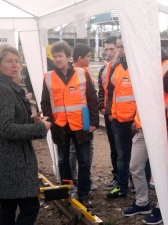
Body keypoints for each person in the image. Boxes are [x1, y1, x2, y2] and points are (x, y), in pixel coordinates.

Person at [0, 44, 51, 224]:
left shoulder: (7, 87)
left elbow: (8, 122)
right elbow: (6, 128)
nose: (15, 65)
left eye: (17, 61)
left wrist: (31, 120)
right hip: (10, 160)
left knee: (9, 206)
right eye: (9, 61)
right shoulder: (2, 89)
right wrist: (40, 128)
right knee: (30, 206)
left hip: (9, 158)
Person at [41, 41, 99, 206]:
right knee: (63, 160)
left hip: (81, 125)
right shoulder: (49, 77)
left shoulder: (82, 74)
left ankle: (84, 194)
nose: (57, 59)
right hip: (60, 126)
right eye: (55, 56)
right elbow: (45, 103)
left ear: (68, 57)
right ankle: (67, 189)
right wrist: (51, 121)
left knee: (84, 161)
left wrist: (94, 122)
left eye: (60, 56)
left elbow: (92, 99)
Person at [122, 49, 168, 217]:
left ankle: (163, 207)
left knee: (162, 170)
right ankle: (142, 202)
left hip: (161, 130)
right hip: (142, 128)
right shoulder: (144, 68)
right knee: (135, 166)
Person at [105, 35, 136, 198]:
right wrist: (110, 112)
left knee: (138, 158)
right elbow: (111, 91)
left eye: (122, 47)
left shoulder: (138, 66)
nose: (119, 50)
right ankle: (122, 187)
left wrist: (138, 118)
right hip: (118, 120)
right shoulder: (116, 67)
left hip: (133, 122)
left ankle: (137, 186)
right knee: (122, 156)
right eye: (118, 47)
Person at [71, 43, 98, 191]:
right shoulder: (71, 73)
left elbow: (92, 96)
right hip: (75, 117)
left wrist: (94, 119)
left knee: (89, 148)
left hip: (86, 115)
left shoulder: (86, 72)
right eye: (88, 57)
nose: (89, 60)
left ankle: (85, 177)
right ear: (80, 58)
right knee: (73, 150)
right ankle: (73, 178)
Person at [98, 36, 119, 191]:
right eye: (107, 49)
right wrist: (101, 105)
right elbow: (101, 90)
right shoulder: (103, 69)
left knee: (126, 149)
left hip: (124, 115)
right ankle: (117, 176)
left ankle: (128, 177)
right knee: (114, 147)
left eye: (112, 49)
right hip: (109, 114)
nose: (109, 52)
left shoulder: (127, 67)